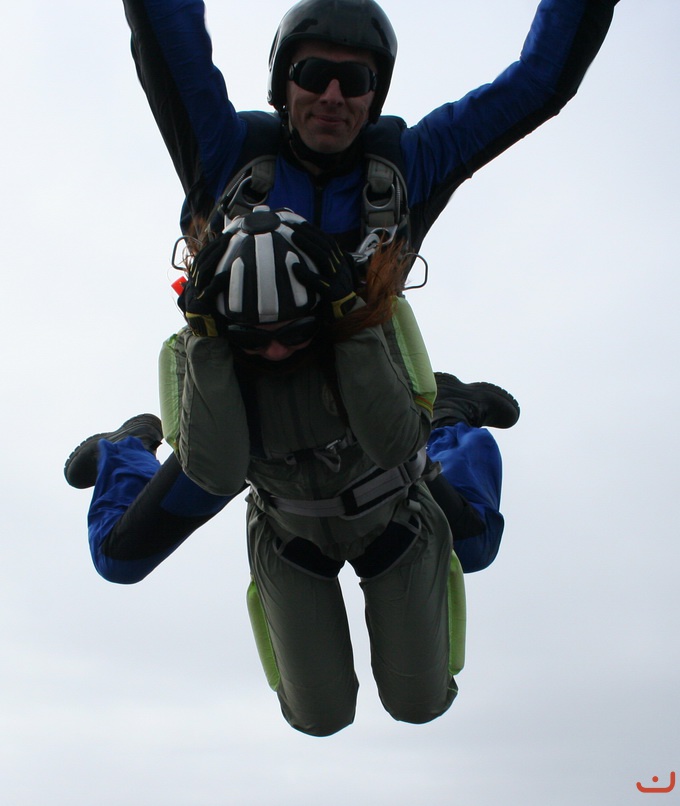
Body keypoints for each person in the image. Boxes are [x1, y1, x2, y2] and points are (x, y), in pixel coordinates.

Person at [89, 0, 616, 573]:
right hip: (250, 417)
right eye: (314, 74)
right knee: (120, 557)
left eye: (356, 80)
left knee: (472, 544)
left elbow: (540, 83)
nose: (333, 96)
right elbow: (165, 31)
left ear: (374, 95)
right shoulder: (226, 154)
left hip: (363, 402)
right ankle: (126, 448)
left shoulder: (409, 165)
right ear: (283, 85)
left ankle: (448, 419)